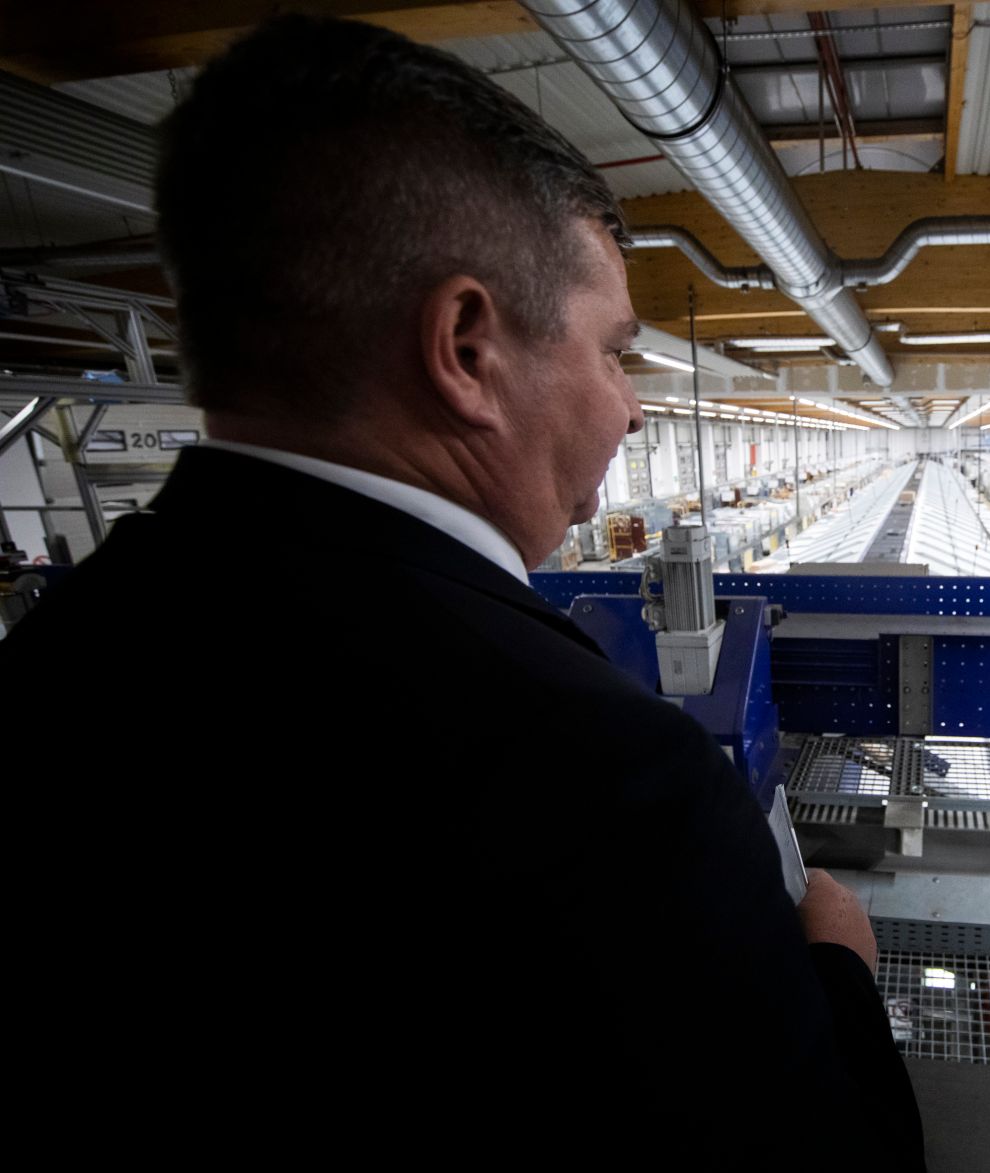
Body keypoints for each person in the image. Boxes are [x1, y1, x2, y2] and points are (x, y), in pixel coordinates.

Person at [3, 16, 923, 1167]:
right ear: (467, 349)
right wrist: (838, 967)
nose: (629, 407)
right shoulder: (612, 789)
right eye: (614, 352)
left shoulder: (55, 662)